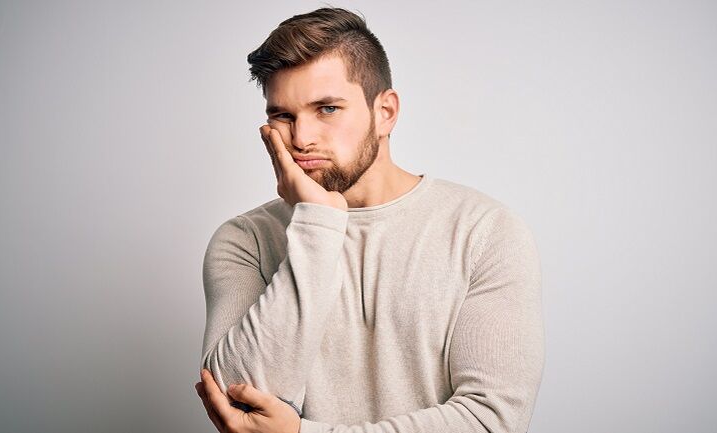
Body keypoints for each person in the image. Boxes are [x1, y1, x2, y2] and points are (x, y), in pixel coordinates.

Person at [194, 7, 544, 433]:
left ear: (386, 112)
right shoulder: (244, 240)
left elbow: (492, 421)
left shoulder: (483, 231)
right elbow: (236, 403)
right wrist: (318, 221)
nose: (301, 138)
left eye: (326, 109)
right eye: (283, 115)